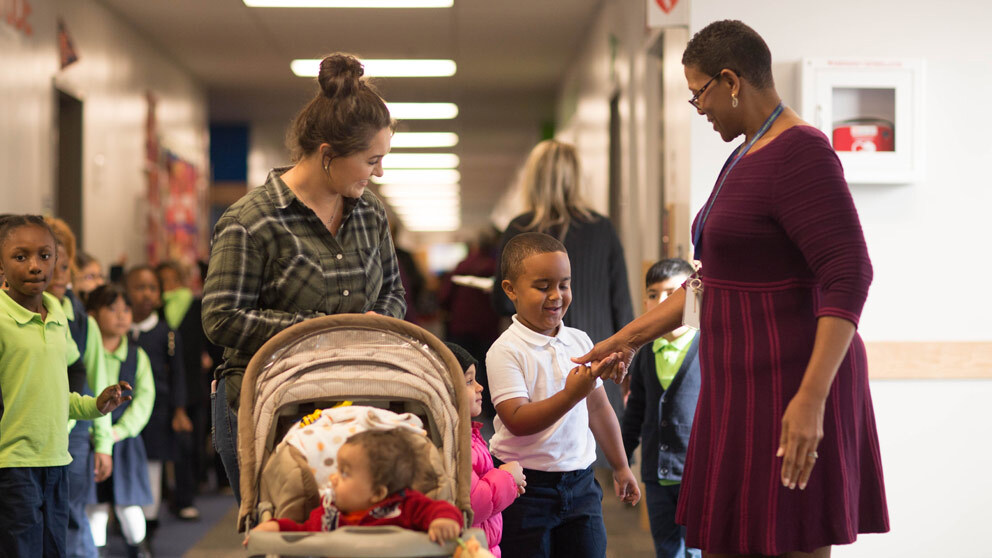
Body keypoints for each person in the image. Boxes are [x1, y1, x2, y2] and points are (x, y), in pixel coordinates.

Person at [574, 20, 889, 557]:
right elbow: (710, 286)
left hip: (792, 384)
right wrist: (622, 340)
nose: (698, 108)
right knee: (724, 538)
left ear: (731, 80)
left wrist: (810, 400)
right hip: (739, 386)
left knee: (790, 537)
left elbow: (849, 273)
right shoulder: (745, 153)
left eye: (699, 93)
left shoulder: (800, 153)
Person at [202, 52, 406, 502]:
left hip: (352, 396)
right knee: (287, 540)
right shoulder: (251, 220)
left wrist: (374, 323)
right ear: (328, 155)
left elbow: (393, 290)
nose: (380, 172)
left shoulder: (370, 212)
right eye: (372, 160)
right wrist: (316, 332)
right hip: (266, 406)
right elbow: (221, 318)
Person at [486, 232, 640, 558]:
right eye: (543, 286)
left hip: (581, 484)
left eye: (564, 284)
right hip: (525, 488)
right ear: (510, 289)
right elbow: (517, 420)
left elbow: (598, 410)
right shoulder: (506, 350)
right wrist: (572, 395)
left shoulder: (580, 341)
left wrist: (621, 466)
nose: (556, 296)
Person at [492, 140, 633, 467]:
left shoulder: (520, 229)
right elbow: (621, 304)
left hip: (536, 358)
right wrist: (626, 370)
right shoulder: (602, 228)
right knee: (586, 454)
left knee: (545, 453)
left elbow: (500, 300)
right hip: (596, 354)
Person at [0, 215, 131, 558]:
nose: (35, 266)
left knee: (55, 548)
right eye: (20, 256)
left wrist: (95, 406)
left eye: (45, 256)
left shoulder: (58, 317)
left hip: (57, 458)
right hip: (12, 464)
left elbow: (56, 394)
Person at [249, 429, 462, 544]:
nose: (332, 479)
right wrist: (277, 526)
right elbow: (303, 532)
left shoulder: (407, 506)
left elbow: (440, 509)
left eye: (344, 473)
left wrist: (443, 520)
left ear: (378, 493)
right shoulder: (328, 516)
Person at [44, 216, 115, 558]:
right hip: (29, 429)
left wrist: (103, 443)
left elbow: (97, 384)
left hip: (73, 431)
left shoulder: (81, 321)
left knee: (70, 514)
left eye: (62, 262)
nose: (57, 270)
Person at [620, 259, 700, 558]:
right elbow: (634, 414)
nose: (662, 302)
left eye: (672, 294)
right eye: (654, 295)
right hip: (657, 475)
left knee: (697, 551)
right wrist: (622, 461)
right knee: (667, 551)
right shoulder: (644, 354)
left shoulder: (707, 348)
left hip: (698, 476)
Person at [85, 284, 156, 558]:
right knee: (95, 505)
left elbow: (145, 400)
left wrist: (119, 431)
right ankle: (97, 551)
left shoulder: (137, 356)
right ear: (93, 314)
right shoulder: (86, 355)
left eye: (126, 309)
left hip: (124, 443)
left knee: (129, 505)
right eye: (112, 309)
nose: (121, 315)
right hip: (91, 442)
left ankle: (139, 550)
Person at [124, 265, 193, 534]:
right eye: (139, 288)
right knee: (126, 459)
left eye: (152, 288)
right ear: (126, 292)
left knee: (153, 463)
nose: (146, 294)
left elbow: (177, 375)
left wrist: (179, 410)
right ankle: (126, 516)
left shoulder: (167, 332)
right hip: (124, 409)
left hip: (158, 410)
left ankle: (149, 519)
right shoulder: (121, 329)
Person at [444, 342, 524, 557]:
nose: (479, 387)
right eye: (469, 381)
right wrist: (507, 477)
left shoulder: (466, 434)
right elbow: (472, 504)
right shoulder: (453, 442)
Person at [153, 261, 203, 521]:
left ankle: (186, 497)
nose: (168, 286)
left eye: (173, 279)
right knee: (158, 449)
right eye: (163, 281)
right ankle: (161, 499)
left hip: (191, 382)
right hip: (160, 388)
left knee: (187, 444)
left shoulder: (195, 305)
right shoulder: (156, 311)